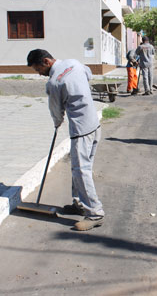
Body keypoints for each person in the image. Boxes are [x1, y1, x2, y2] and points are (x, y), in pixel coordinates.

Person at [27, 49, 104, 231]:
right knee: (81, 167)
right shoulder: (73, 62)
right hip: (94, 124)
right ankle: (79, 203)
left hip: (81, 129)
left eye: (38, 69)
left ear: (46, 61)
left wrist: (57, 123)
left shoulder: (54, 83)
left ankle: (95, 213)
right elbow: (89, 74)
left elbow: (55, 110)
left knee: (80, 171)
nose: (39, 74)